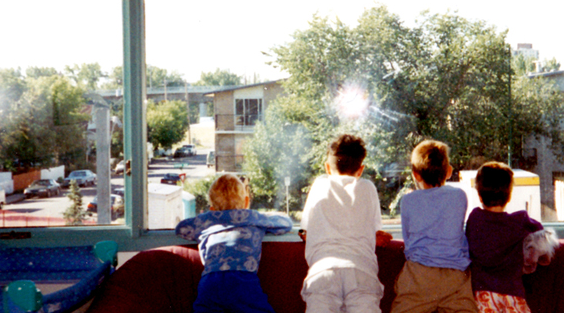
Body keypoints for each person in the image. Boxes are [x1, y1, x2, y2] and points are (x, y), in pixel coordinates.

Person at [300, 134, 392, 313]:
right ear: (361, 169)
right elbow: (374, 230)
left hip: (323, 271)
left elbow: (306, 231)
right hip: (361, 271)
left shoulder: (319, 185)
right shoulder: (368, 188)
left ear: (327, 167)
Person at [176, 174, 292, 313]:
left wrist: (208, 218)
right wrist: (264, 219)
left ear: (212, 208)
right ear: (246, 202)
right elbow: (286, 224)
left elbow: (180, 229)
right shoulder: (253, 217)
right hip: (242, 279)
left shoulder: (206, 221)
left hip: (211, 280)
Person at [391, 140, 478, 313]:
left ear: (415, 174)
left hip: (419, 275)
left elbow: (408, 241)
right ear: (448, 172)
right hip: (455, 275)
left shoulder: (408, 200)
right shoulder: (459, 195)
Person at [465, 161, 555, 313]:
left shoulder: (474, 220)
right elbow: (540, 232)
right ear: (509, 195)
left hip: (482, 296)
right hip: (513, 296)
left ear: (480, 196)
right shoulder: (520, 221)